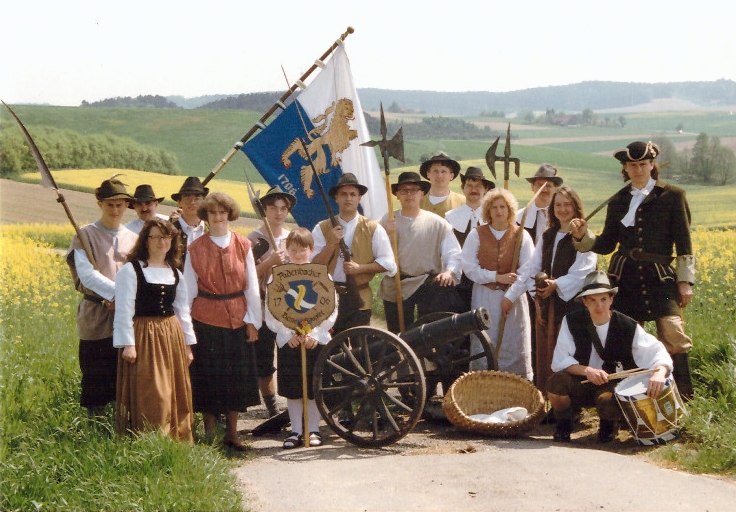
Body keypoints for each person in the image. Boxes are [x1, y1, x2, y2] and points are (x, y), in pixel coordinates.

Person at [569, 141, 695, 398]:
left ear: (652, 165)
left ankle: (684, 399)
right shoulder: (618, 200)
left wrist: (685, 282)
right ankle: (629, 401)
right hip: (624, 277)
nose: (637, 170)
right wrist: (583, 236)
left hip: (659, 276)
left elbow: (684, 243)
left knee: (673, 334)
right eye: (632, 165)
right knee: (626, 337)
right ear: (625, 168)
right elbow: (605, 244)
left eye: (642, 164)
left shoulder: (673, 196)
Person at [547, 270, 673, 443]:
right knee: (556, 383)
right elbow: (561, 360)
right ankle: (564, 424)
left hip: (611, 385)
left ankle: (608, 425)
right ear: (584, 301)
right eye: (592, 300)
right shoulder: (571, 321)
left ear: (611, 299)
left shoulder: (627, 325)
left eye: (603, 299)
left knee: (607, 401)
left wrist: (659, 372)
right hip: (581, 380)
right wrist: (587, 371)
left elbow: (656, 351)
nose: (599, 306)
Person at [183, 192, 261, 451]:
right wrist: (187, 329)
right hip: (205, 318)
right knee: (209, 377)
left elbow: (251, 285)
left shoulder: (243, 244)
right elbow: (188, 290)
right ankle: (208, 433)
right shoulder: (195, 248)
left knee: (235, 378)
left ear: (230, 215)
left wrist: (253, 321)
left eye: (223, 212)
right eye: (213, 212)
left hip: (238, 318)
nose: (218, 217)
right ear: (206, 215)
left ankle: (232, 433)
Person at [113, 219, 196, 442]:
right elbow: (124, 310)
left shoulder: (175, 273)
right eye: (156, 237)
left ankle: (176, 441)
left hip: (171, 335)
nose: (162, 242)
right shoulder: (131, 271)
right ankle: (150, 440)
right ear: (146, 241)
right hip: (144, 335)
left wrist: (188, 346)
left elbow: (182, 311)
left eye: (166, 237)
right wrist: (128, 344)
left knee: (174, 389)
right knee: (153, 391)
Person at [66, 177, 139, 416]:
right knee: (96, 378)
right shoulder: (84, 236)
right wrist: (118, 296)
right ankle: (95, 433)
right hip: (96, 317)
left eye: (120, 204)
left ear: (127, 205)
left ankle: (124, 430)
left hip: (127, 319)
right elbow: (87, 276)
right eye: (110, 204)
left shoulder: (134, 238)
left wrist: (125, 303)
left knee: (126, 379)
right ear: (99, 204)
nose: (115, 210)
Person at [265, 228, 337, 449]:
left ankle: (313, 430)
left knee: (313, 388)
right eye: (293, 250)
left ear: (311, 250)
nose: (298, 254)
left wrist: (314, 334)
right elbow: (272, 308)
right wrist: (287, 335)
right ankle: (296, 431)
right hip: (290, 341)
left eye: (302, 249)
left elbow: (329, 308)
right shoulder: (277, 275)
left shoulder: (323, 275)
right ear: (286, 250)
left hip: (314, 340)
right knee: (293, 388)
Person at [526, 186, 597, 390]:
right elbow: (534, 267)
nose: (563, 209)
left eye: (567, 204)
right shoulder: (548, 235)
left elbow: (584, 271)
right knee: (547, 351)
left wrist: (556, 285)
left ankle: (571, 402)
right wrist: (538, 296)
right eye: (558, 205)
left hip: (573, 304)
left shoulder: (584, 237)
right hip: (548, 304)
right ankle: (548, 399)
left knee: (571, 350)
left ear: (576, 207)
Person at [460, 188, 534, 379]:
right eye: (494, 207)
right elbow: (468, 266)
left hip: (514, 299)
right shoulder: (476, 234)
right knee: (485, 341)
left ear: (510, 210)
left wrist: (509, 297)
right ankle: (484, 387)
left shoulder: (521, 235)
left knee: (512, 343)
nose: (499, 211)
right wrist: (495, 277)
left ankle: (514, 388)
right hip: (484, 297)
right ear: (488, 211)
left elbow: (528, 270)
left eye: (503, 207)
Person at [312, 173, 397, 335]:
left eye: (353, 194)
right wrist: (332, 244)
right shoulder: (322, 228)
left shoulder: (373, 228)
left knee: (359, 350)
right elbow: (314, 266)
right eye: (343, 194)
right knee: (330, 350)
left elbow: (388, 263)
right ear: (336, 198)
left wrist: (360, 268)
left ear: (359, 198)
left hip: (360, 298)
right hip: (327, 298)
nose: (348, 198)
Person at [379, 171, 463, 334]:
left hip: (426, 284)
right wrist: (384, 232)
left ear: (422, 193)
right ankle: (401, 359)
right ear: (397, 195)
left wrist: (449, 272)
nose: (409, 194)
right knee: (397, 336)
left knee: (429, 332)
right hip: (396, 284)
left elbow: (454, 254)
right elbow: (374, 252)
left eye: (413, 190)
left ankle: (431, 357)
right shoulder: (388, 220)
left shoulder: (437, 223)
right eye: (404, 190)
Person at [246, 185, 296, 418]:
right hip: (263, 306)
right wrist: (270, 262)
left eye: (283, 208)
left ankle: (293, 406)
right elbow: (245, 277)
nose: (278, 213)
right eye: (273, 208)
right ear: (264, 210)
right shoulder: (252, 240)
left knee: (289, 356)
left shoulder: (293, 239)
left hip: (288, 307)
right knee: (265, 359)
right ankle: (272, 408)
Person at [445, 166, 495, 310]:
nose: (474, 189)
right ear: (463, 188)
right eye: (470, 185)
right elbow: (448, 252)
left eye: (478, 186)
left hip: (487, 281)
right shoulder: (450, 217)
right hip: (459, 282)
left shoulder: (494, 218)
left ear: (485, 189)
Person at [516, 163, 562, 246]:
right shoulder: (519, 217)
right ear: (532, 186)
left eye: (548, 186)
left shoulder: (562, 216)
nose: (544, 189)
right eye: (540, 185)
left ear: (555, 188)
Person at [171, 176, 208, 268]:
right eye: (187, 198)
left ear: (204, 201)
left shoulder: (213, 231)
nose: (192, 202)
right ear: (179, 202)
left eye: (197, 198)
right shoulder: (169, 231)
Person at [418, 152, 466, 218]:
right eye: (435, 171)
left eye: (444, 171)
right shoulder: (417, 201)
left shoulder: (463, 202)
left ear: (451, 176)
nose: (439, 176)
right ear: (428, 174)